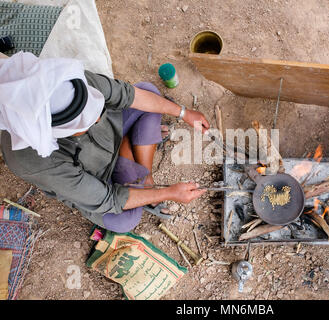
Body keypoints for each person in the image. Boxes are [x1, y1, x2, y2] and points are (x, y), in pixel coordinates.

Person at [0, 52, 210, 233]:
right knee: (125, 221)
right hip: (98, 177)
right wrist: (169, 193)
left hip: (114, 131)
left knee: (148, 92)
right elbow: (107, 200)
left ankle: (144, 176)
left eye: (96, 111)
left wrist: (183, 113)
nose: (99, 119)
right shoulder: (33, 161)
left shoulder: (66, 81)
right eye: (87, 123)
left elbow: (130, 95)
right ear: (54, 131)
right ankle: (132, 151)